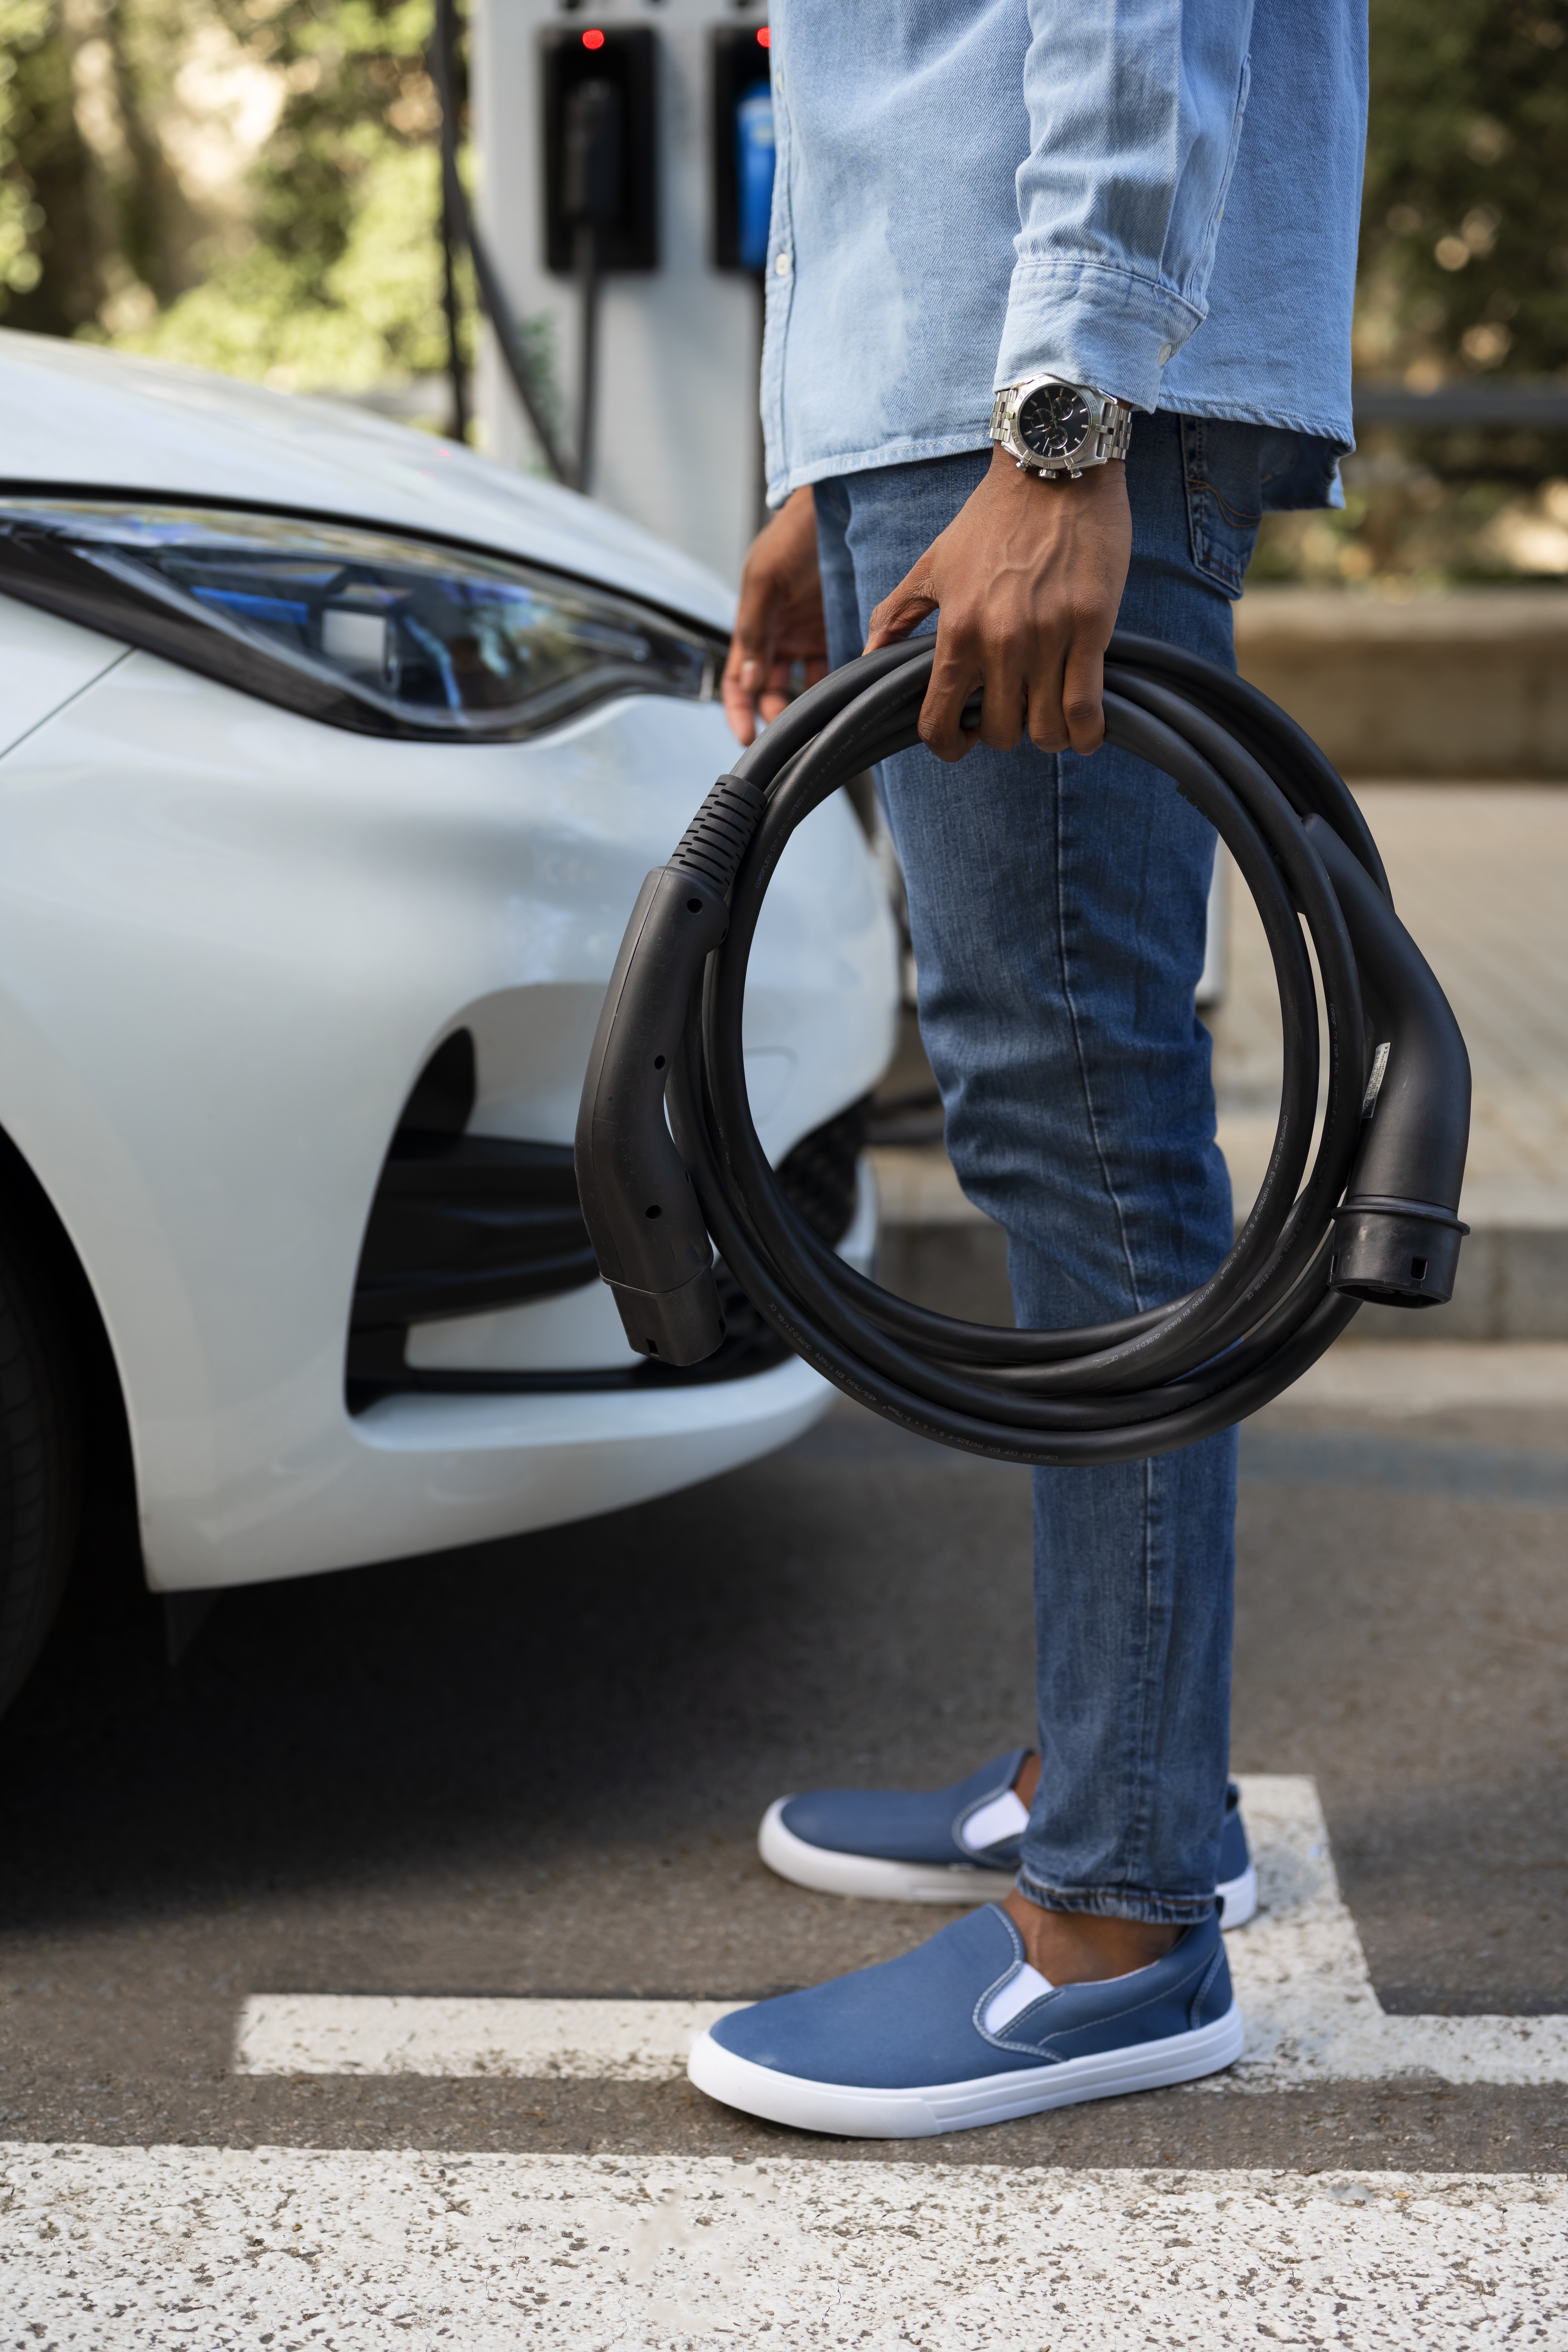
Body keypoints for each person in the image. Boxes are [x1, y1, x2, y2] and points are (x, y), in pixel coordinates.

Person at [688, 0, 1368, 2137]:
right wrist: (830, 455)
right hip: (956, 371)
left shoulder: (1059, 404)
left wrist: (1055, 425)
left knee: (1074, 1112)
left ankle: (1118, 1918)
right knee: (1040, 1097)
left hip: (1043, 382)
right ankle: (1109, 1778)